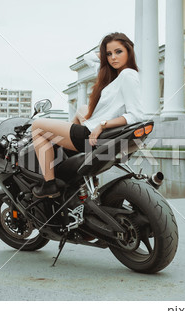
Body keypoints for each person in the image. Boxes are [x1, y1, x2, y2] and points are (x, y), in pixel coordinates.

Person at [31, 32, 144, 199]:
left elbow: (136, 115)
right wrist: (106, 54)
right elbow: (88, 58)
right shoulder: (114, 75)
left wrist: (103, 124)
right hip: (96, 133)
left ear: (129, 51)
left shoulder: (127, 75)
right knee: (82, 109)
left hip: (92, 135)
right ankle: (67, 153)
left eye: (118, 52)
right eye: (109, 54)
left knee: (37, 126)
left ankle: (49, 184)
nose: (113, 57)